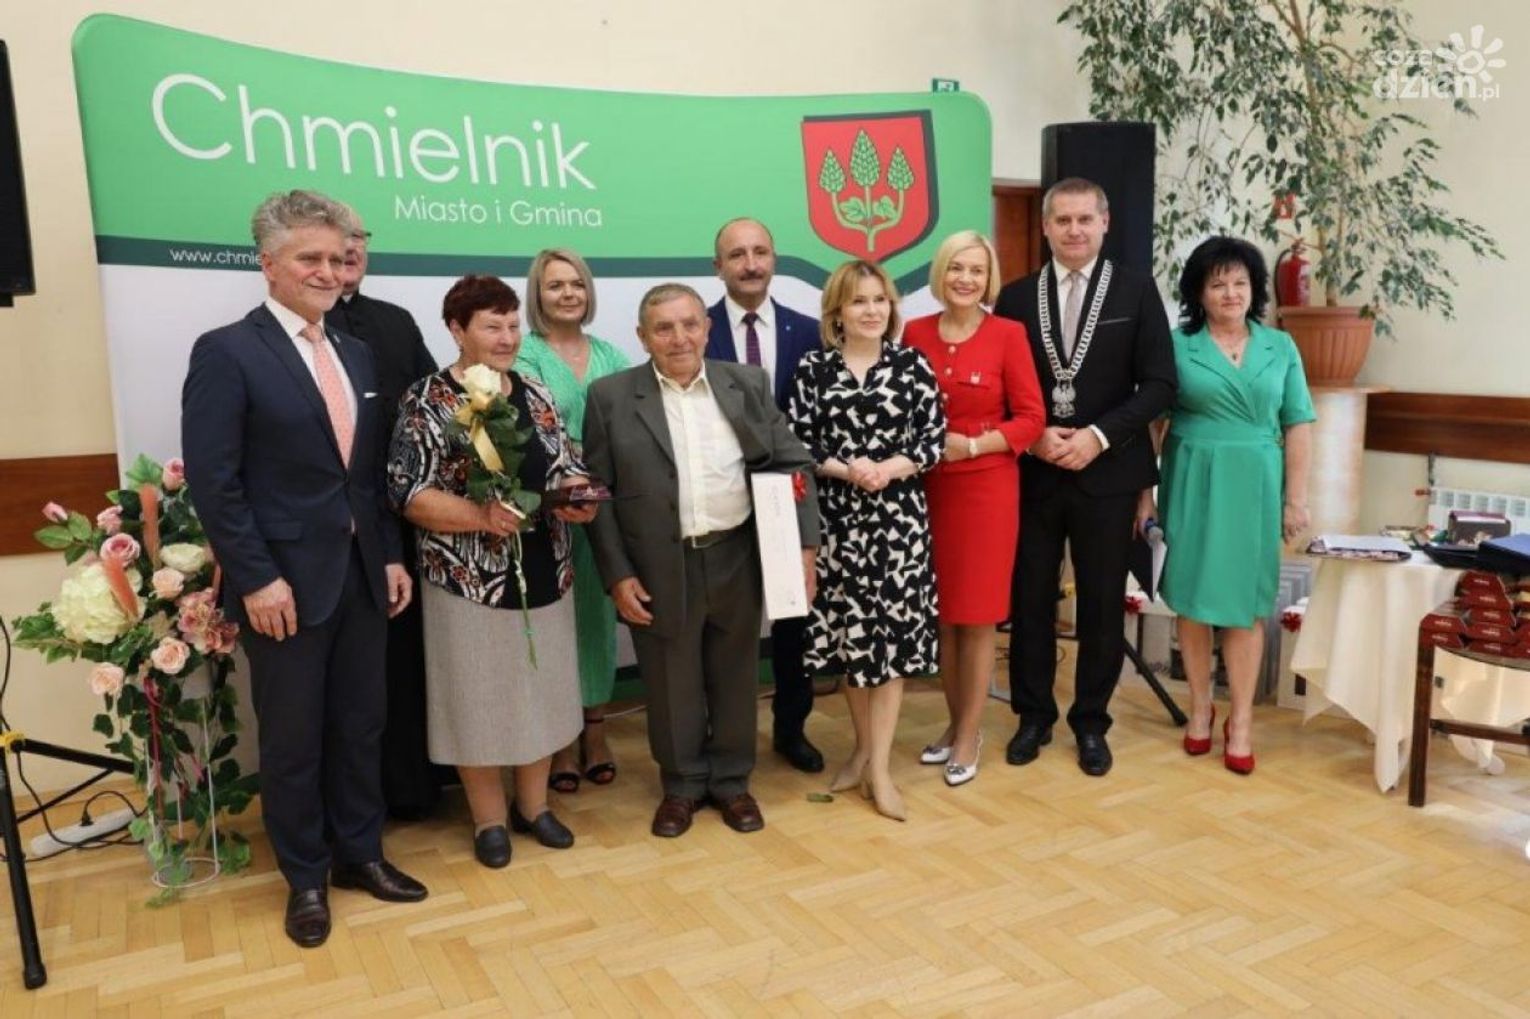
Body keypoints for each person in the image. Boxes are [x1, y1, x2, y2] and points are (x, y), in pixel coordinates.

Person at [182, 190, 425, 950]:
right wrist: (256, 578)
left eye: (336, 258)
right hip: (282, 586)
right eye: (309, 258)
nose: (327, 271)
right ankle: (306, 878)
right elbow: (215, 483)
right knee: (293, 741)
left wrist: (388, 555)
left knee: (361, 724)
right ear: (268, 264)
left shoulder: (353, 350)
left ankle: (361, 854)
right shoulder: (227, 351)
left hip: (361, 575)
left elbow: (366, 475)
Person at [584, 283, 820, 838]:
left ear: (707, 328)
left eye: (690, 324)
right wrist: (618, 575)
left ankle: (733, 782)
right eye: (663, 328)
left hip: (736, 554)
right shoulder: (610, 397)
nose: (679, 338)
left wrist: (804, 552)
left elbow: (794, 464)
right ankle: (684, 785)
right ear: (643, 337)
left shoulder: (747, 384)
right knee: (672, 682)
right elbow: (598, 493)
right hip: (658, 564)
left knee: (735, 675)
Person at [388, 274, 595, 868]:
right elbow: (408, 492)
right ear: (457, 330)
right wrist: (479, 517)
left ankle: (534, 807)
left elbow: (563, 464)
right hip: (467, 579)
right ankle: (488, 821)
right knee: (475, 699)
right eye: (491, 326)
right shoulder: (427, 399)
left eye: (512, 325)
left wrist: (577, 492)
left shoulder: (535, 391)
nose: (507, 337)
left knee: (541, 693)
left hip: (546, 566)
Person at [993, 177, 1178, 777]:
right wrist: (1034, 434)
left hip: (1109, 472)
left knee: (1101, 604)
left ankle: (1092, 723)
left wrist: (1098, 436)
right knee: (1030, 600)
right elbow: (999, 384)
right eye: (1062, 220)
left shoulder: (1136, 290)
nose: (1073, 230)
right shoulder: (1016, 298)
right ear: (1045, 227)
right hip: (1035, 472)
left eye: (1084, 219)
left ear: (1104, 223)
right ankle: (1032, 716)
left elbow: (1160, 384)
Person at [1143, 236, 1314, 775]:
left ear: (1254, 289)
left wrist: (1296, 499)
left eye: (1240, 282)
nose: (1231, 293)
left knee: (1245, 605)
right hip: (1192, 480)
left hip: (1256, 485)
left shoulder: (1280, 347)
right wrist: (1144, 495)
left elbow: (1299, 424)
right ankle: (1200, 707)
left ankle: (1241, 721)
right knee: (1193, 602)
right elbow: (1153, 425)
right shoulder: (1176, 346)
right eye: (1218, 283)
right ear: (1199, 292)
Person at [787, 260, 944, 821]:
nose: (872, 310)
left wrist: (887, 468)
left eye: (880, 300)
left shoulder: (912, 365)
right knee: (852, 641)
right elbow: (798, 441)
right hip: (836, 522)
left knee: (890, 646)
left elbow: (932, 439)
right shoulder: (813, 369)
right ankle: (861, 749)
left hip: (898, 524)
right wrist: (847, 468)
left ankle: (879, 769)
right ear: (837, 311)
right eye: (859, 301)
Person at [903, 231, 1046, 788]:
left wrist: (973, 445)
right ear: (941, 273)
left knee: (978, 615)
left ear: (989, 280)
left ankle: (969, 735)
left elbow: (1031, 418)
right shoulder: (913, 332)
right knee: (942, 613)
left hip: (986, 489)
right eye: (956, 268)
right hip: (927, 490)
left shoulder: (1008, 334)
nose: (966, 279)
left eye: (977, 271)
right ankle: (953, 722)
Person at [324, 212, 444, 820]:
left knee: (403, 662)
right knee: (345, 677)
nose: (349, 251)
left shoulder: (396, 321)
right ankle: (349, 807)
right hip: (335, 528)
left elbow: (436, 405)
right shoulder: (298, 330)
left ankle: (411, 791)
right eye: (336, 241)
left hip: (404, 519)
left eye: (358, 240)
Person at [704, 217, 826, 774]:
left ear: (774, 259)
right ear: (718, 267)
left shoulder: (811, 331)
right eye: (737, 255)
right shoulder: (697, 331)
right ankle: (719, 733)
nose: (750, 264)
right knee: (720, 623)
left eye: (759, 252)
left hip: (789, 495)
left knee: (793, 622)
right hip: (720, 494)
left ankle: (791, 728)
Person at [514, 248, 630, 794]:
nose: (567, 294)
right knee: (556, 623)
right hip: (551, 510)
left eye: (576, 284)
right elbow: (530, 432)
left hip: (605, 508)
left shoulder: (611, 353)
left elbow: (630, 427)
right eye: (555, 285)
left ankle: (596, 731)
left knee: (597, 620)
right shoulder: (525, 354)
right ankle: (560, 739)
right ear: (537, 295)